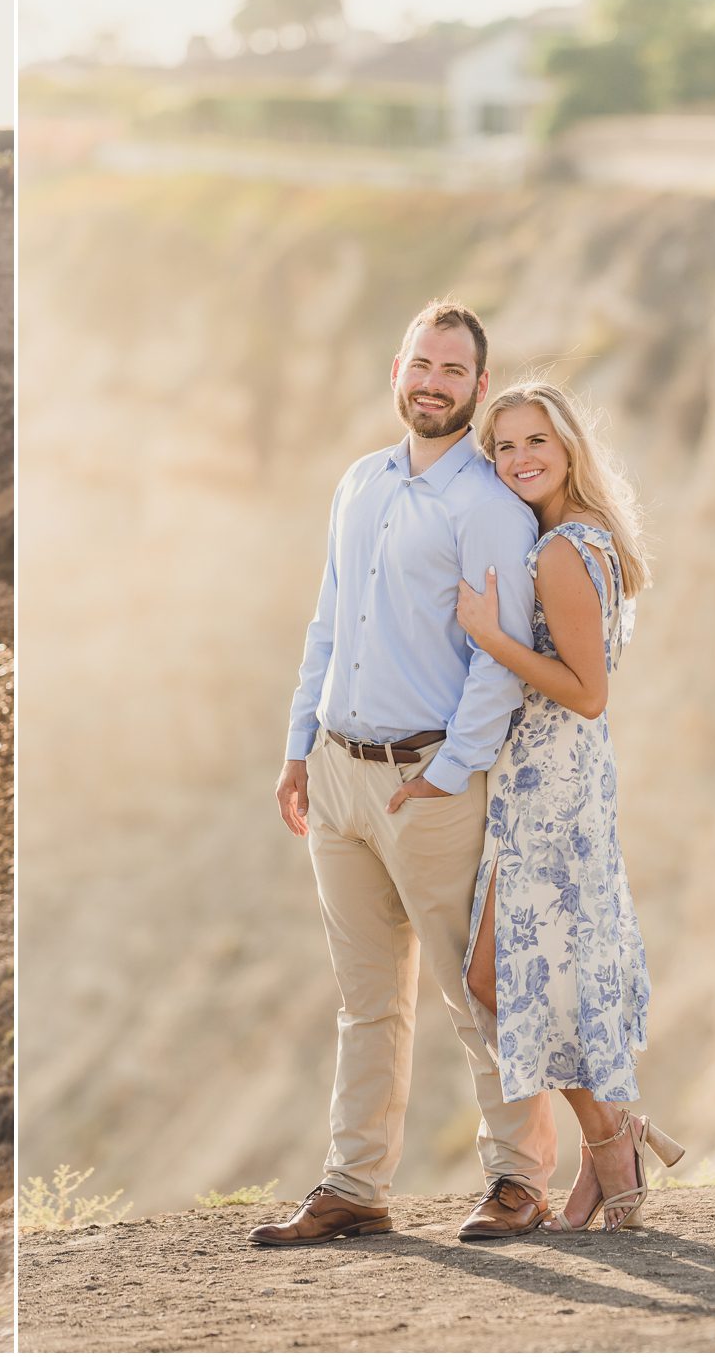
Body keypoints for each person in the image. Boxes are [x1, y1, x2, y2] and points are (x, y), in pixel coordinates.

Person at [251, 300, 558, 1248]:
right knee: (367, 997)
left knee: (475, 991)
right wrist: (300, 745)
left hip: (429, 780)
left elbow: (498, 661)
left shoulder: (491, 507)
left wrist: (450, 772)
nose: (431, 383)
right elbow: (328, 620)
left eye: (453, 372)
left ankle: (519, 1179)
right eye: (421, 364)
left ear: (475, 387)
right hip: (339, 773)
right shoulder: (359, 484)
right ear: (397, 370)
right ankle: (355, 1185)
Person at [454, 380, 683, 1232]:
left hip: (553, 785)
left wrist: (491, 637)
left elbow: (587, 693)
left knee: (500, 975)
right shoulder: (580, 538)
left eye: (534, 442)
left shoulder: (561, 551)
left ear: (569, 448)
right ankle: (611, 1149)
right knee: (544, 976)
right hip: (553, 782)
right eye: (503, 445)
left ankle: (613, 1140)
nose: (518, 458)